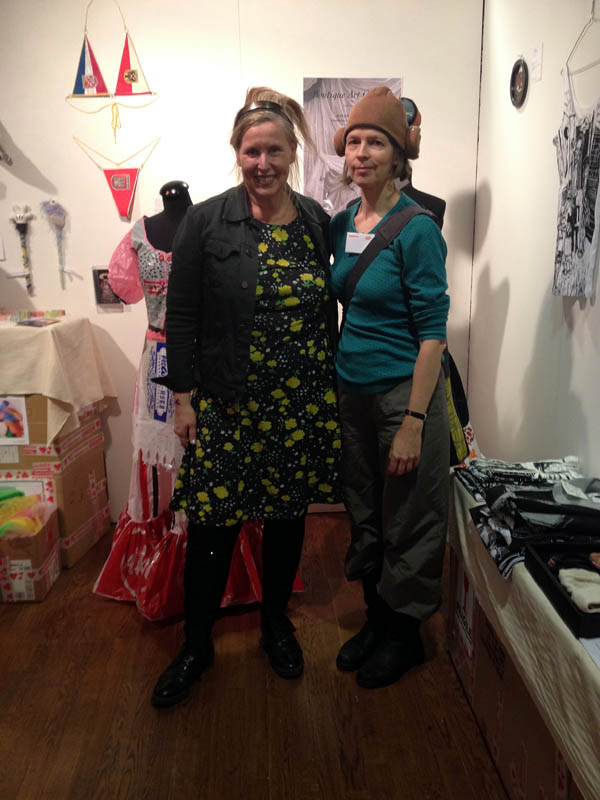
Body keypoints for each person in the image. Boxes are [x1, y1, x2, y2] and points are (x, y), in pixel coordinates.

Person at [151, 87, 342, 708]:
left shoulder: (315, 220)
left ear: (293, 153)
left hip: (298, 402)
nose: (264, 164)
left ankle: (276, 625)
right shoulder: (206, 222)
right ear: (237, 153)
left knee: (286, 523)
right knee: (214, 528)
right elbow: (181, 317)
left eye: (275, 151)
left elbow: (327, 308)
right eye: (252, 151)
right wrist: (183, 400)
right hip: (227, 404)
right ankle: (196, 645)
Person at [329, 86, 450, 689]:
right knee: (365, 508)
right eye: (354, 141)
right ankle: (377, 618)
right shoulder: (340, 224)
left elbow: (433, 335)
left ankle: (405, 636)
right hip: (351, 391)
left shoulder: (418, 229)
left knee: (410, 515)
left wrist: (414, 422)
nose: (362, 152)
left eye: (375, 142)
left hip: (405, 393)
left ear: (398, 155)